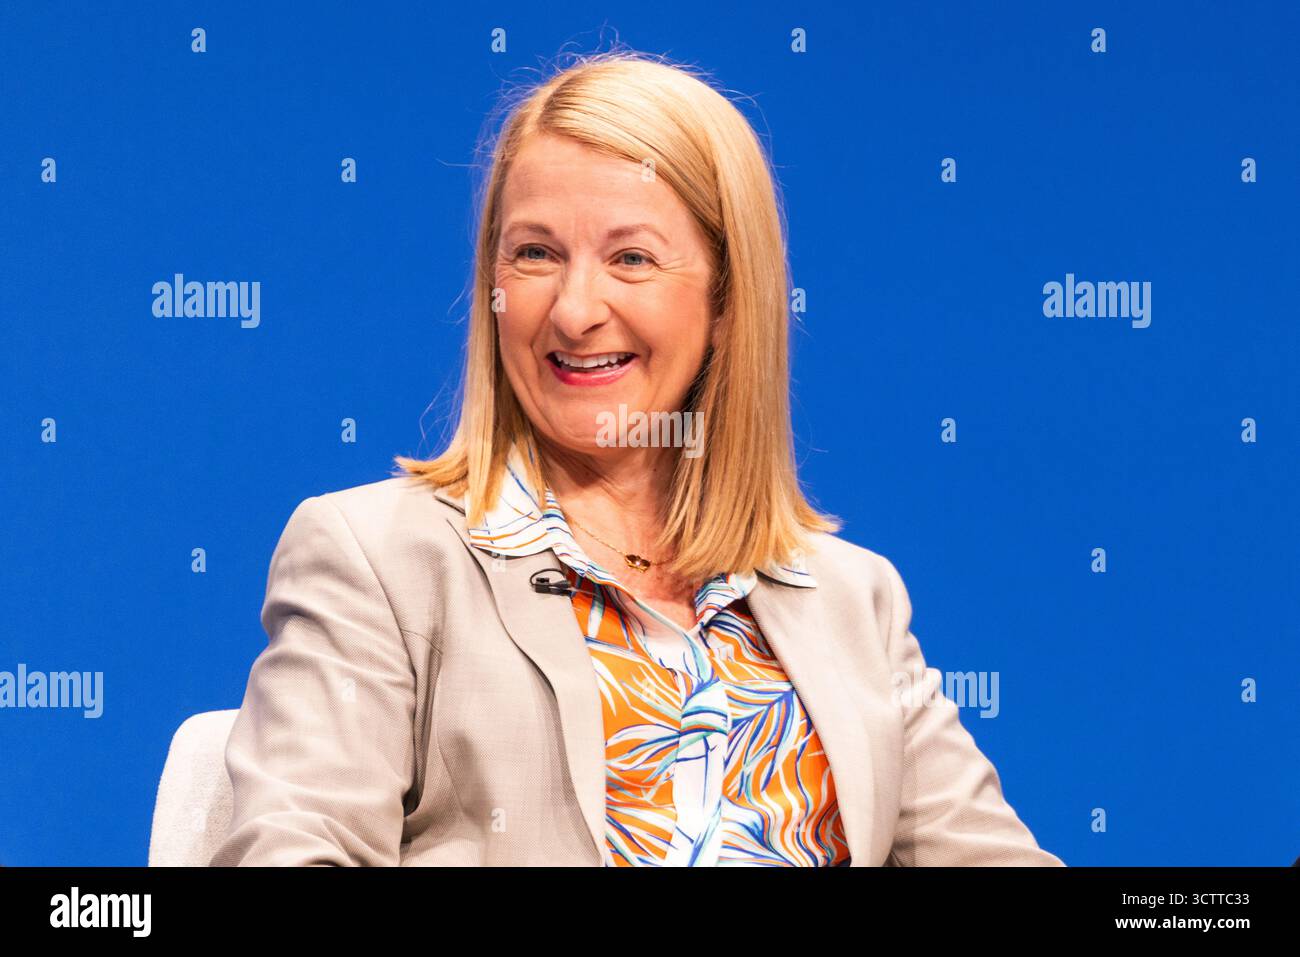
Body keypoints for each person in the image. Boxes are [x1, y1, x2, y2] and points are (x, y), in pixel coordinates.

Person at [209, 50, 1064, 867]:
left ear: (728, 299)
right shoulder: (379, 559)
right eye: (535, 253)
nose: (575, 310)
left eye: (631, 258)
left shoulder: (852, 598)